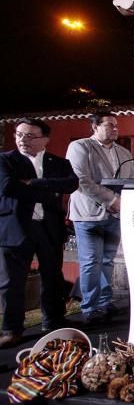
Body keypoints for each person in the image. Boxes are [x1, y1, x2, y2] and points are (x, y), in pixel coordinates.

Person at [0, 119, 79, 347]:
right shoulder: (6, 160)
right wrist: (48, 191)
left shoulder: (58, 162)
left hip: (49, 227)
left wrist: (33, 183)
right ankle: (12, 329)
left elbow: (71, 184)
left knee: (52, 277)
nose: (23, 140)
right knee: (12, 282)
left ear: (45, 139)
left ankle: (53, 321)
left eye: (30, 135)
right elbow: (7, 187)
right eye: (19, 135)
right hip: (15, 227)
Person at [66, 112, 134, 324]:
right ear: (95, 126)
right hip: (88, 215)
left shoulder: (124, 152)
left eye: (116, 126)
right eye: (110, 125)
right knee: (90, 262)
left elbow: (131, 180)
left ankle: (105, 302)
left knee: (107, 261)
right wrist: (112, 199)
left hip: (115, 215)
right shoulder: (80, 147)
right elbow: (81, 181)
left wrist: (124, 202)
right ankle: (89, 307)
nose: (115, 129)